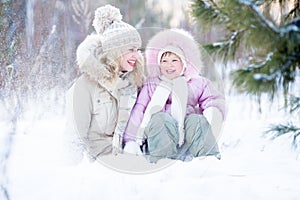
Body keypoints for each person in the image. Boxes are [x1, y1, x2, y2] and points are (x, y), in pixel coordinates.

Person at [123, 29, 226, 163]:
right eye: (164, 61)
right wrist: (131, 140)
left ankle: (208, 159)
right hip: (158, 137)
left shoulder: (196, 83)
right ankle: (162, 161)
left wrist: (213, 111)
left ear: (184, 63)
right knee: (160, 119)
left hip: (186, 134)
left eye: (174, 60)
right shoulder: (152, 84)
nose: (169, 65)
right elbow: (140, 109)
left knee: (197, 121)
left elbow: (212, 98)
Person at [64, 4, 145, 163]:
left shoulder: (136, 82)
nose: (136, 55)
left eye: (137, 49)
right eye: (131, 49)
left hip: (134, 159)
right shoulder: (85, 87)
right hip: (103, 169)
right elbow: (73, 139)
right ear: (115, 49)